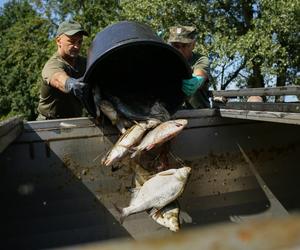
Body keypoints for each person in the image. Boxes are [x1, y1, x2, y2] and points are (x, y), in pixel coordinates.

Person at [37, 20, 94, 120]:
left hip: (74, 120)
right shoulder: (53, 64)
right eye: (71, 42)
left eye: (79, 42)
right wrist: (71, 84)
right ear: (58, 41)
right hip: (49, 124)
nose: (76, 46)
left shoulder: (84, 63)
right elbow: (58, 79)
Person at [168, 25, 211, 109]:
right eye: (176, 46)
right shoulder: (166, 62)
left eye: (184, 45)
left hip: (199, 115)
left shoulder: (200, 59)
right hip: (173, 114)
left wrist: (197, 80)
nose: (180, 50)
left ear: (193, 45)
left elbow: (200, 74)